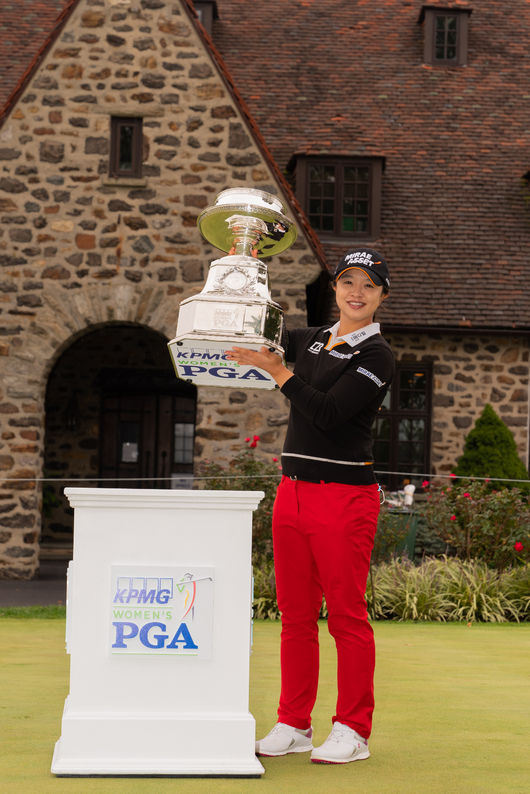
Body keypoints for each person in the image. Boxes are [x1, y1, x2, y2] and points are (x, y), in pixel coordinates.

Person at [226, 247, 395, 765]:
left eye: (368, 285)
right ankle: (294, 723)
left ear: (381, 295)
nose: (356, 293)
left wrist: (279, 373)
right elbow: (258, 326)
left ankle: (352, 730)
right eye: (348, 282)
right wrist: (244, 266)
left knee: (346, 617)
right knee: (296, 616)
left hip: (345, 497)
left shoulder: (378, 356)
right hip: (293, 492)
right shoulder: (316, 339)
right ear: (336, 289)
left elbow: (325, 413)